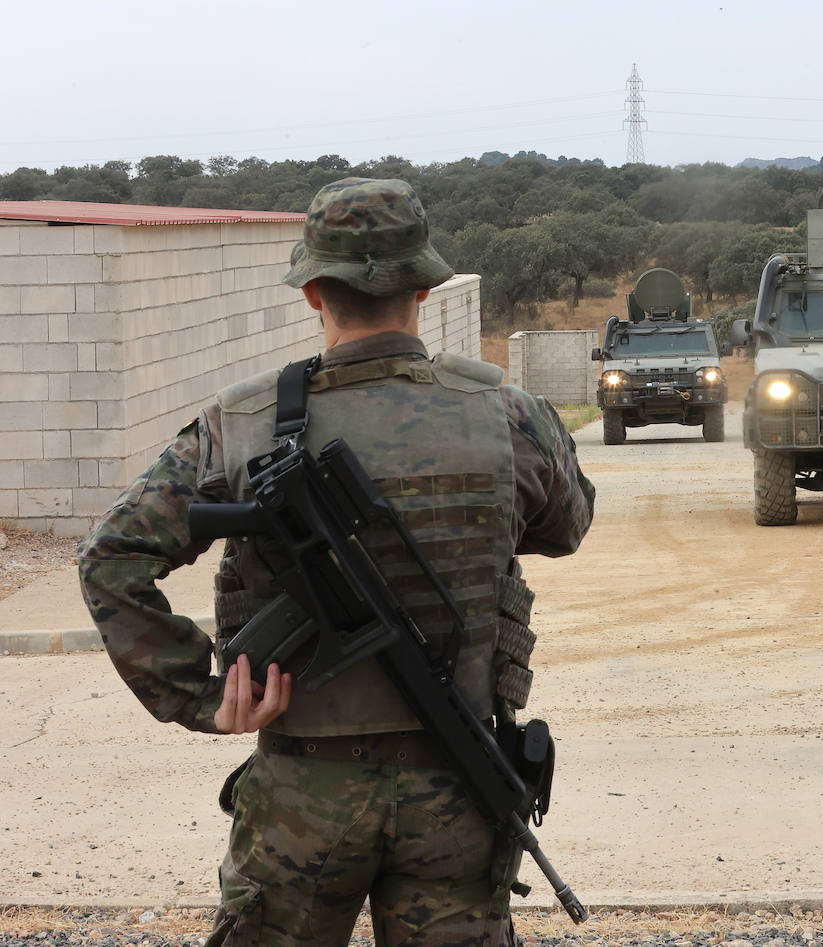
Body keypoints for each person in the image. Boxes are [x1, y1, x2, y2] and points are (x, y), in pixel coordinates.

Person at [77, 177, 595, 947]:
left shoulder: (241, 423)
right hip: (455, 788)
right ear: (424, 287)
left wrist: (204, 694)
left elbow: (110, 556)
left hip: (301, 798)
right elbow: (567, 525)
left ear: (313, 289)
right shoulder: (510, 414)